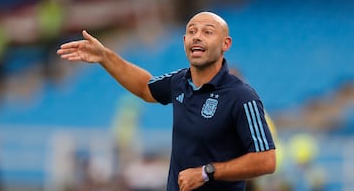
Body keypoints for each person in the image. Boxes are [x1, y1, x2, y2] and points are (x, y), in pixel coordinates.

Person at [57, 11, 276, 191]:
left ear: (225, 44)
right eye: (191, 32)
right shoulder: (179, 81)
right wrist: (105, 57)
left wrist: (206, 172)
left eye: (207, 32)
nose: (197, 36)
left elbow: (267, 160)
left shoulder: (242, 96)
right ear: (184, 41)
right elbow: (145, 87)